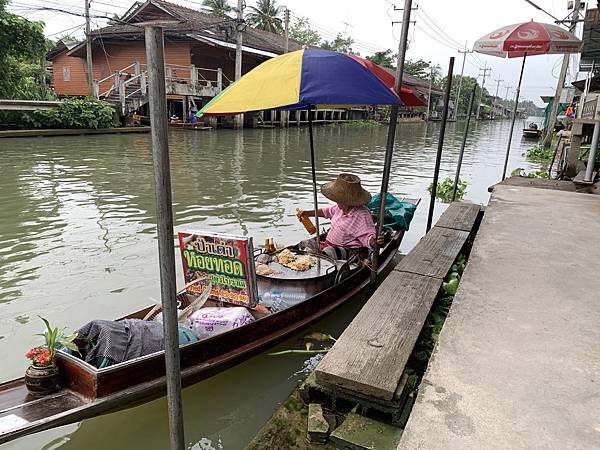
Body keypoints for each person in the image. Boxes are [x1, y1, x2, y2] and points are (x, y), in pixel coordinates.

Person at [298, 174, 384, 257]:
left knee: (328, 252)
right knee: (303, 244)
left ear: (347, 201)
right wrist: (308, 213)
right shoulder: (340, 208)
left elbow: (368, 236)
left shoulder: (362, 215)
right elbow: (326, 212)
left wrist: (374, 241)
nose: (336, 201)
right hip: (327, 245)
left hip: (348, 251)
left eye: (339, 200)